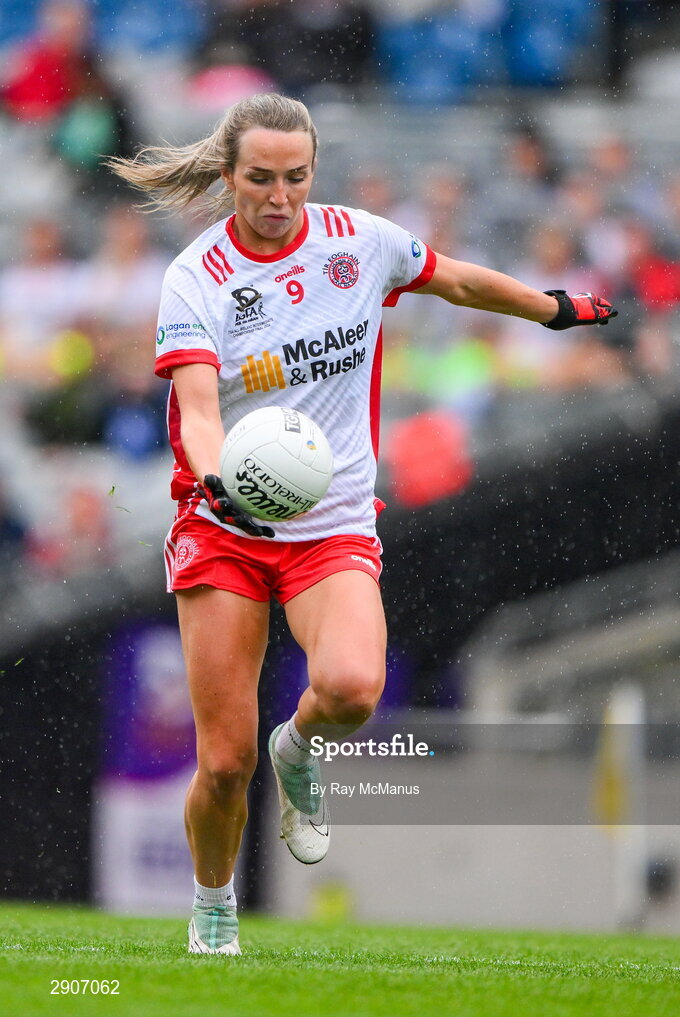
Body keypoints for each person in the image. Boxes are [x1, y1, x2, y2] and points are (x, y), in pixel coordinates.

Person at [108, 93, 617, 955]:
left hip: (332, 520)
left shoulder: (359, 243)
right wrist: (216, 477)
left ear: (314, 172)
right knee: (224, 763)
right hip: (225, 523)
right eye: (260, 179)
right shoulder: (197, 276)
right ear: (229, 177)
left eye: (296, 178)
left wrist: (552, 308)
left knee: (350, 690)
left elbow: (454, 279)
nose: (279, 196)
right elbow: (196, 408)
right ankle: (214, 905)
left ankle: (300, 750)